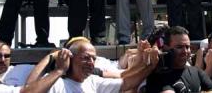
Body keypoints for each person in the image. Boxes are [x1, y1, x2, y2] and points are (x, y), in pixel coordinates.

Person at [25, 37, 158, 92]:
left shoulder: (93, 81)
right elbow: (28, 90)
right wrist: (54, 63)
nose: (91, 63)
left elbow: (127, 82)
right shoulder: (54, 82)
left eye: (94, 58)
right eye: (86, 58)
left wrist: (150, 65)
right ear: (69, 57)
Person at [146, 26, 212, 92]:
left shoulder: (196, 72)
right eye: (179, 47)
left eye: (187, 47)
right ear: (166, 48)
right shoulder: (157, 77)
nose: (185, 51)